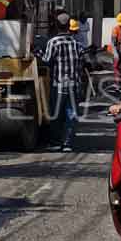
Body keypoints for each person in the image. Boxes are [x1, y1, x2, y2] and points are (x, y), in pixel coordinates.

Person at [42, 12, 86, 152]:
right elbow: (84, 64)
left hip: (58, 84)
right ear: (68, 26)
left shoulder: (53, 42)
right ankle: (67, 143)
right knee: (71, 114)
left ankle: (55, 142)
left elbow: (46, 61)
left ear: (56, 26)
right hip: (74, 85)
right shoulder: (77, 44)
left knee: (56, 113)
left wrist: (37, 54)